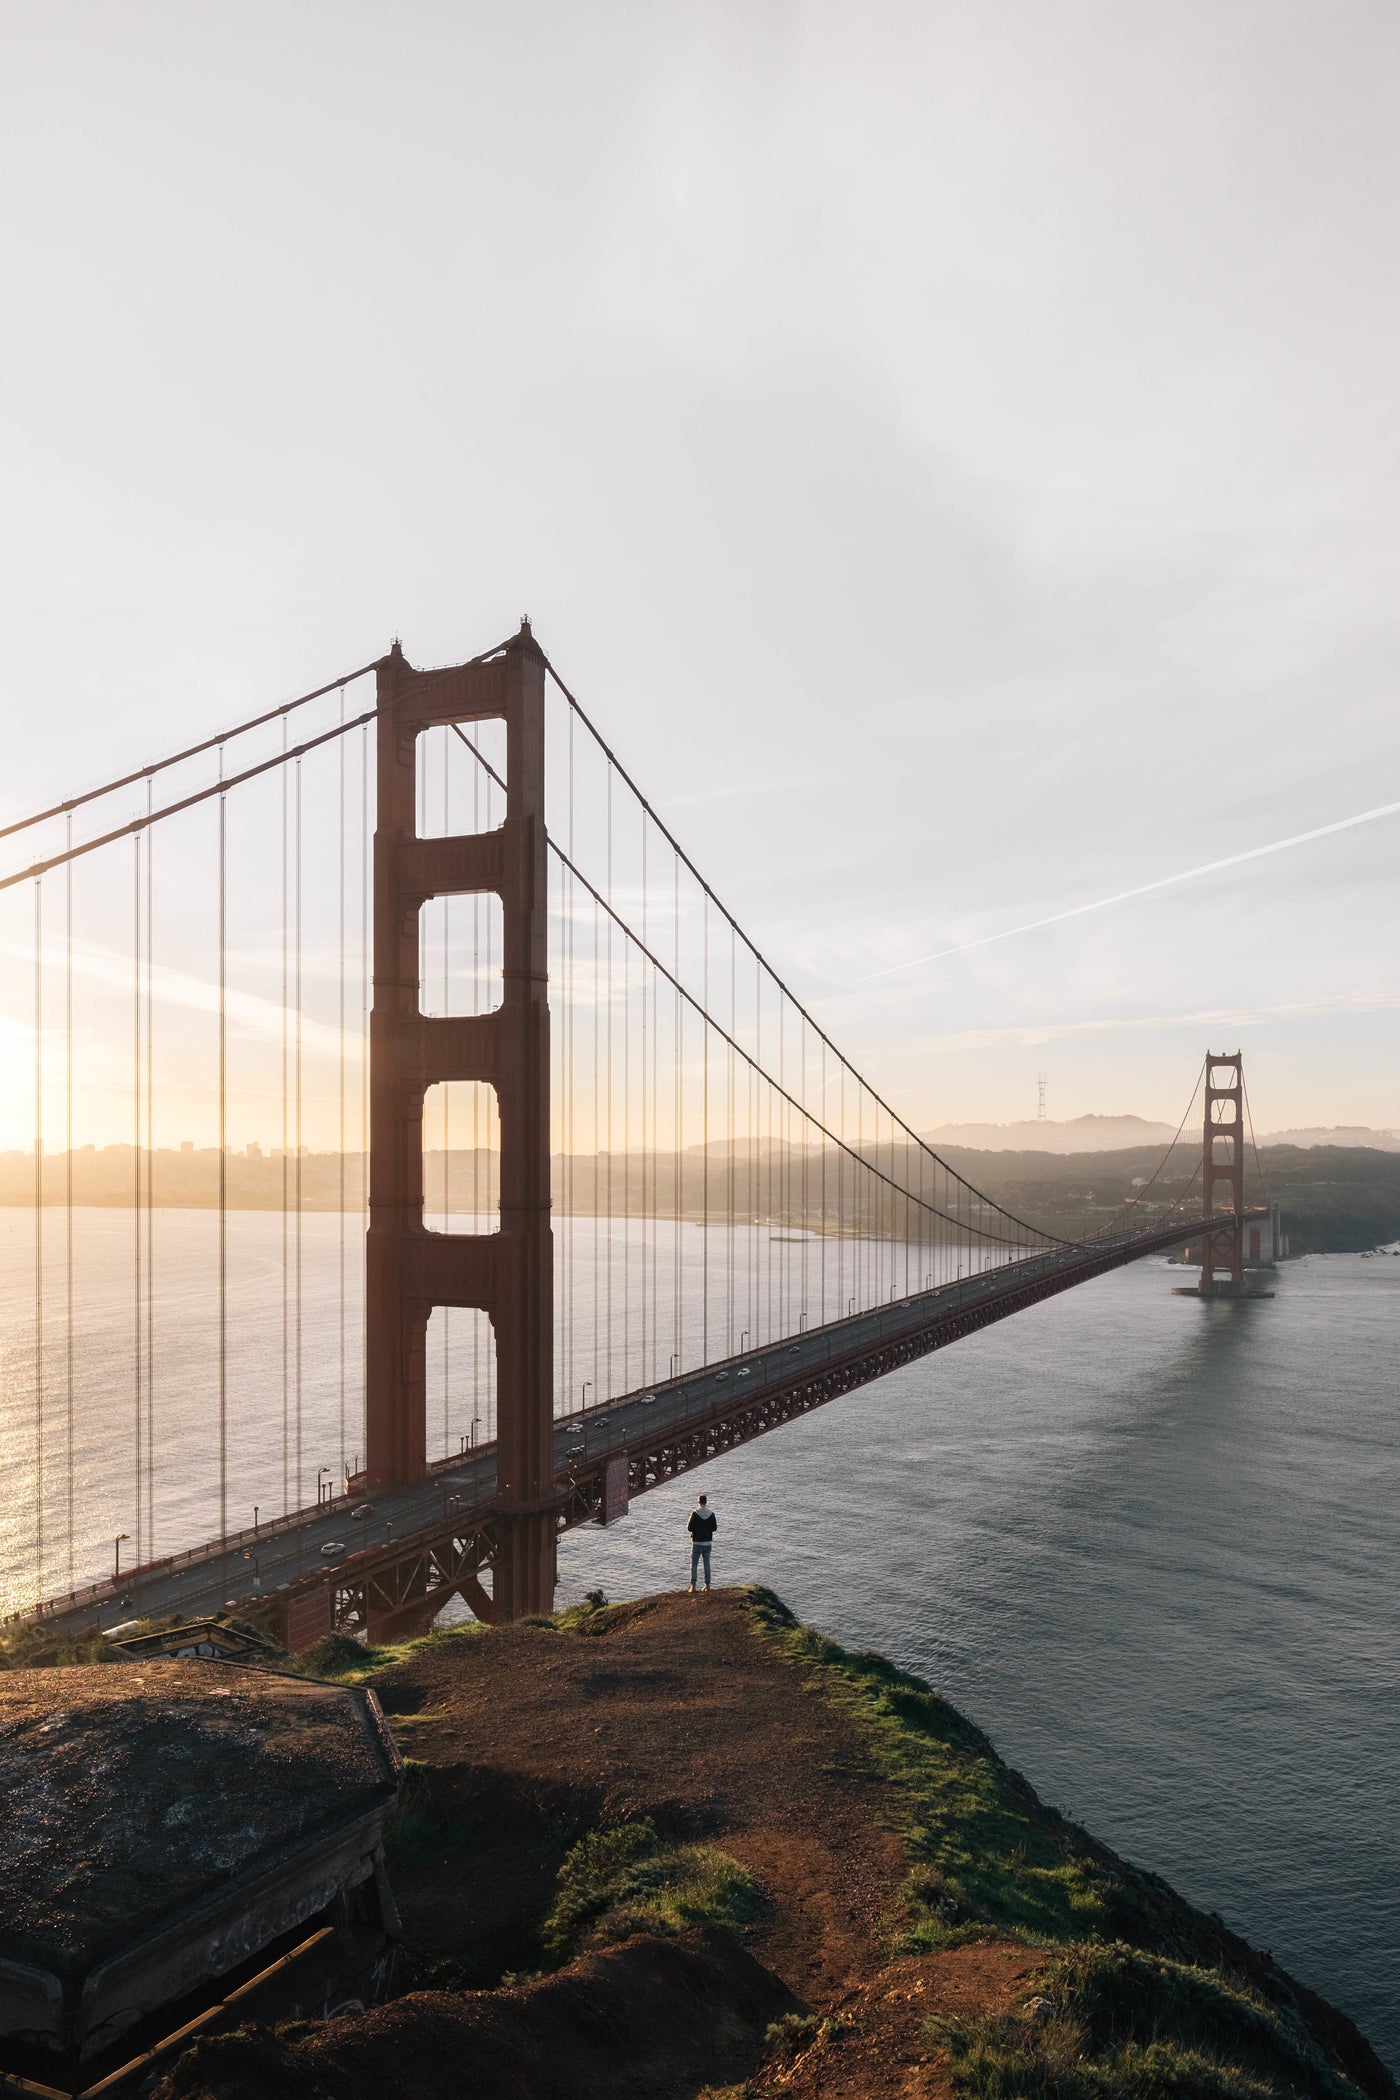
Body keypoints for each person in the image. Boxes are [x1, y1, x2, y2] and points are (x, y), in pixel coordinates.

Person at [686, 1494, 717, 1593]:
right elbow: (714, 1528)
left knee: (694, 1564)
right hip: (707, 1543)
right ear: (706, 1502)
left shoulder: (695, 1514)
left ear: (699, 1502)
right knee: (707, 1564)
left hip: (697, 1542)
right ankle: (707, 1586)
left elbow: (689, 1528)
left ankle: (693, 1586)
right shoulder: (711, 1514)